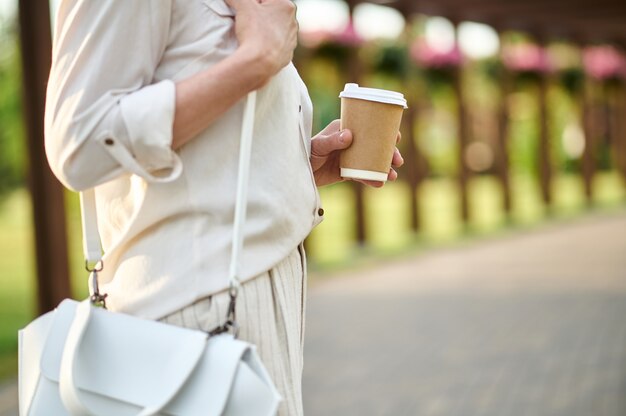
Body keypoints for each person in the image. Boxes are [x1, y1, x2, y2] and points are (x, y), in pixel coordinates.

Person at [44, 0, 403, 414]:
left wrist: (297, 164)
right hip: (198, 319)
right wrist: (256, 60)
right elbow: (79, 142)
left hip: (248, 307)